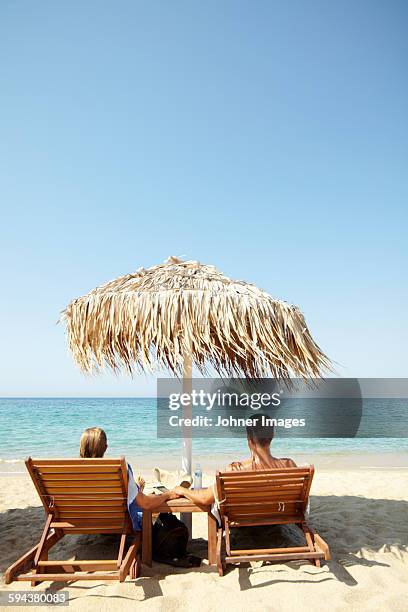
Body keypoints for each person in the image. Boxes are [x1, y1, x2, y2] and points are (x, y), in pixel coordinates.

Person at [173, 413, 297, 506]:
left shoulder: (235, 470)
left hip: (244, 523)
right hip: (276, 520)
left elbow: (205, 499)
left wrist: (182, 490)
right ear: (272, 436)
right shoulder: (289, 465)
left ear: (249, 439)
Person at [79, 427, 180, 530]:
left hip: (85, 522)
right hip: (119, 522)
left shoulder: (68, 470)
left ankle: (137, 489)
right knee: (151, 501)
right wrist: (167, 495)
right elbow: (146, 503)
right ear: (105, 447)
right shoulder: (120, 468)